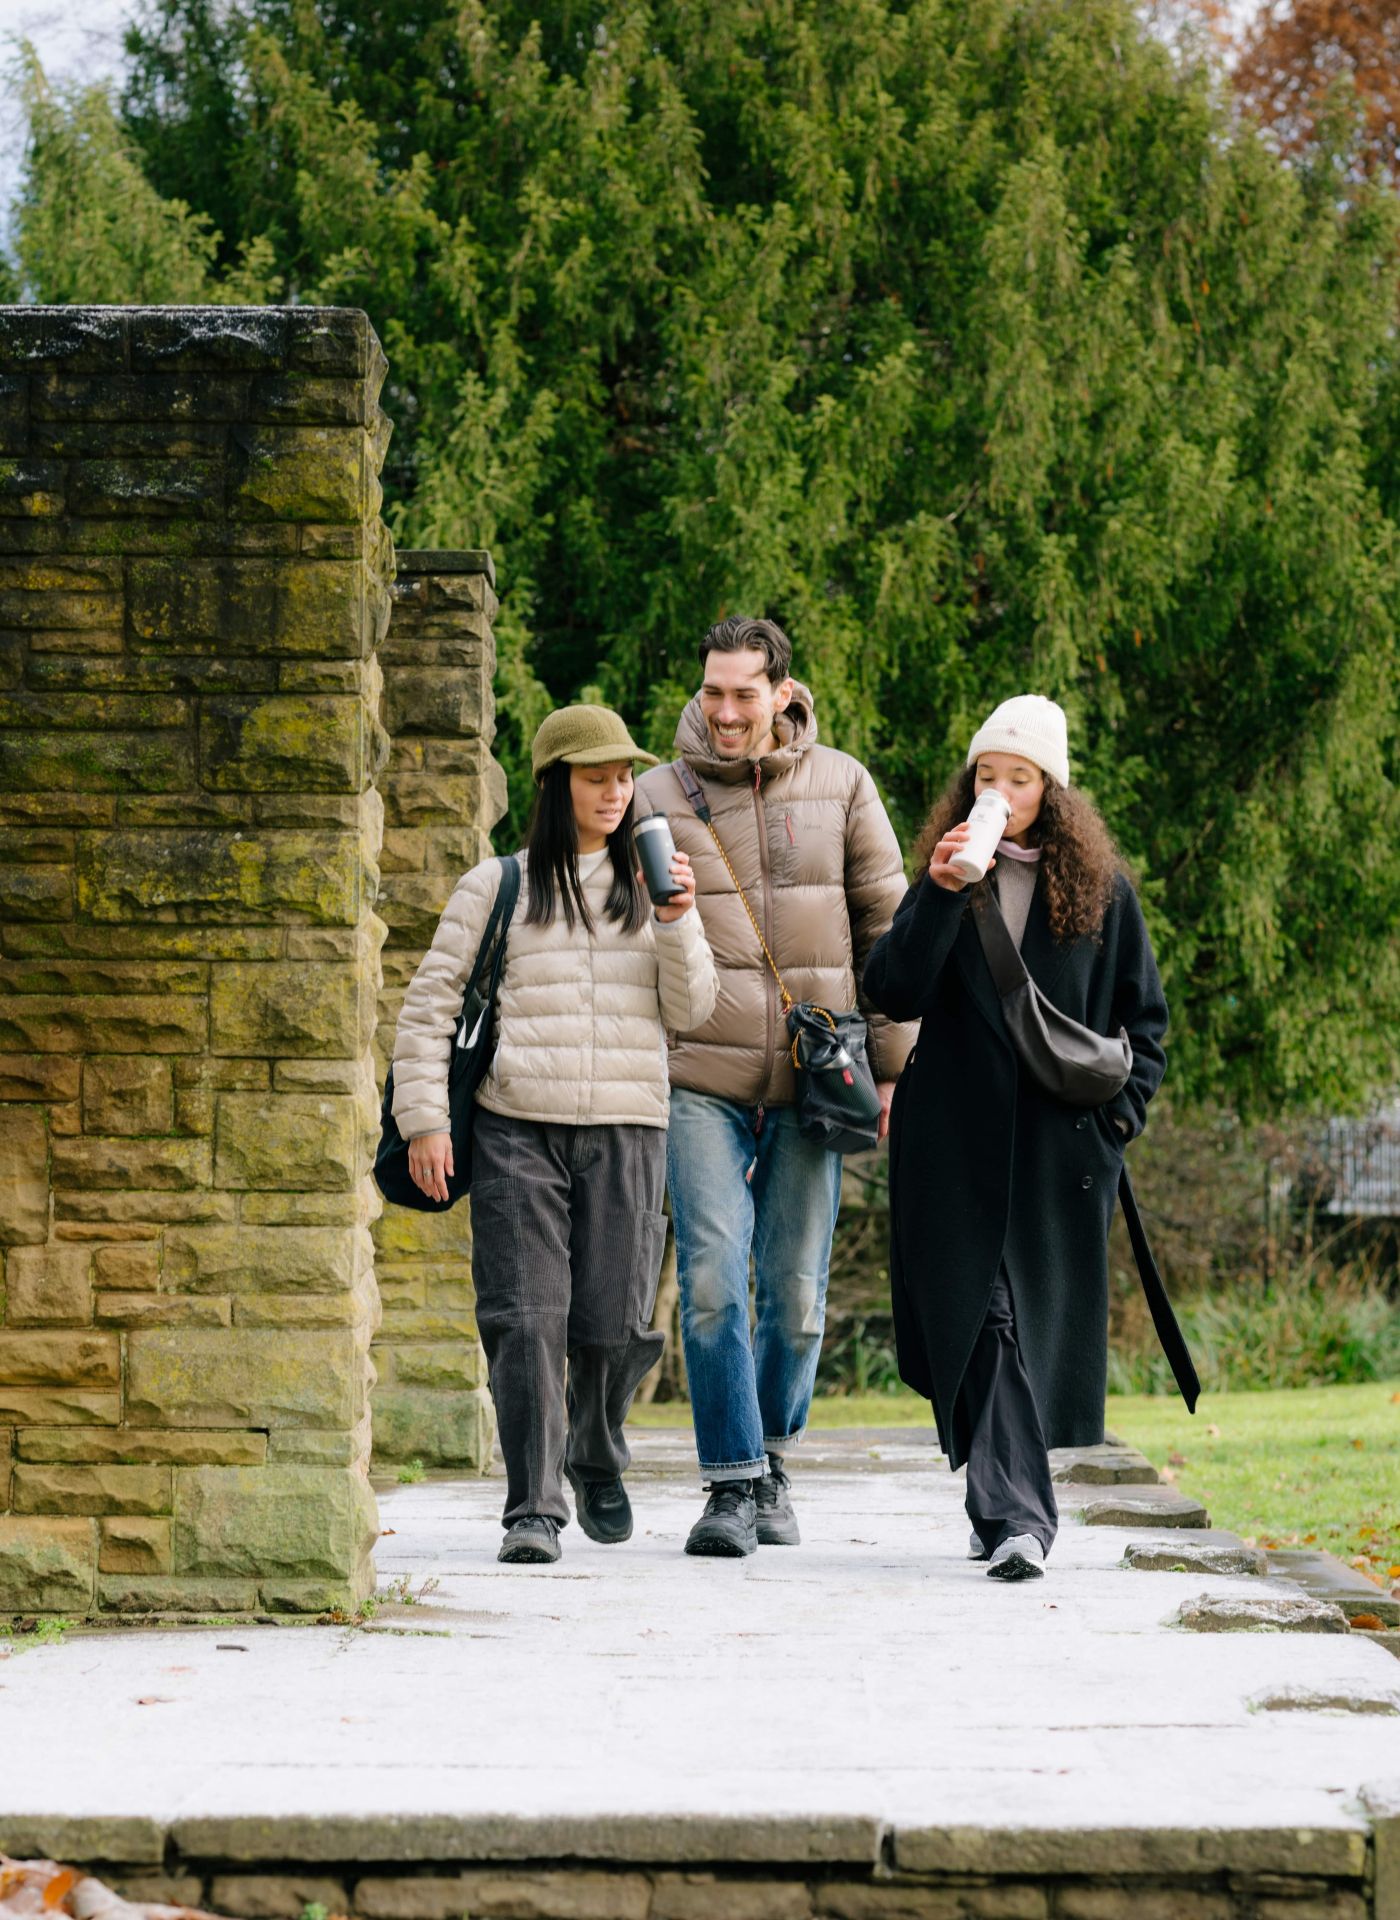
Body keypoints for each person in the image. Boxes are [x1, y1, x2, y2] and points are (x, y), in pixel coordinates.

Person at [391, 705, 718, 1566]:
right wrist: (424, 1119)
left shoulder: (653, 886)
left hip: (627, 1127)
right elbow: (428, 1006)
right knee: (525, 1319)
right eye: (597, 775)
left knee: (614, 1325)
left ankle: (596, 1452)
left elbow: (695, 1011)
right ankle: (532, 1508)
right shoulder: (494, 885)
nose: (617, 791)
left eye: (624, 776)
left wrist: (680, 917)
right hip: (514, 1130)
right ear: (555, 783)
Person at [863, 695, 1168, 1581]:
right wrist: (940, 890)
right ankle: (1018, 1520)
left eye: (1020, 778)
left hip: (1055, 1155)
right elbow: (892, 988)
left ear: (1052, 792)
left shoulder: (1105, 896)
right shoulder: (951, 875)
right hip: (951, 1147)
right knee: (980, 1316)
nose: (1001, 790)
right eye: (987, 776)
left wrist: (1117, 1121)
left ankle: (997, 1503)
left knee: (1025, 1329)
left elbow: (1144, 1026)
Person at [636, 617, 916, 1557]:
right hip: (698, 1073)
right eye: (712, 691)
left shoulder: (843, 784)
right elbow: (615, 935)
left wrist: (892, 1066)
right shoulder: (653, 796)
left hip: (816, 1074)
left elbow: (889, 928)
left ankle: (774, 1457)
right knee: (714, 1279)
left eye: (743, 694)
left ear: (782, 694)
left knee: (795, 1293)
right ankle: (730, 1486)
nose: (723, 711)